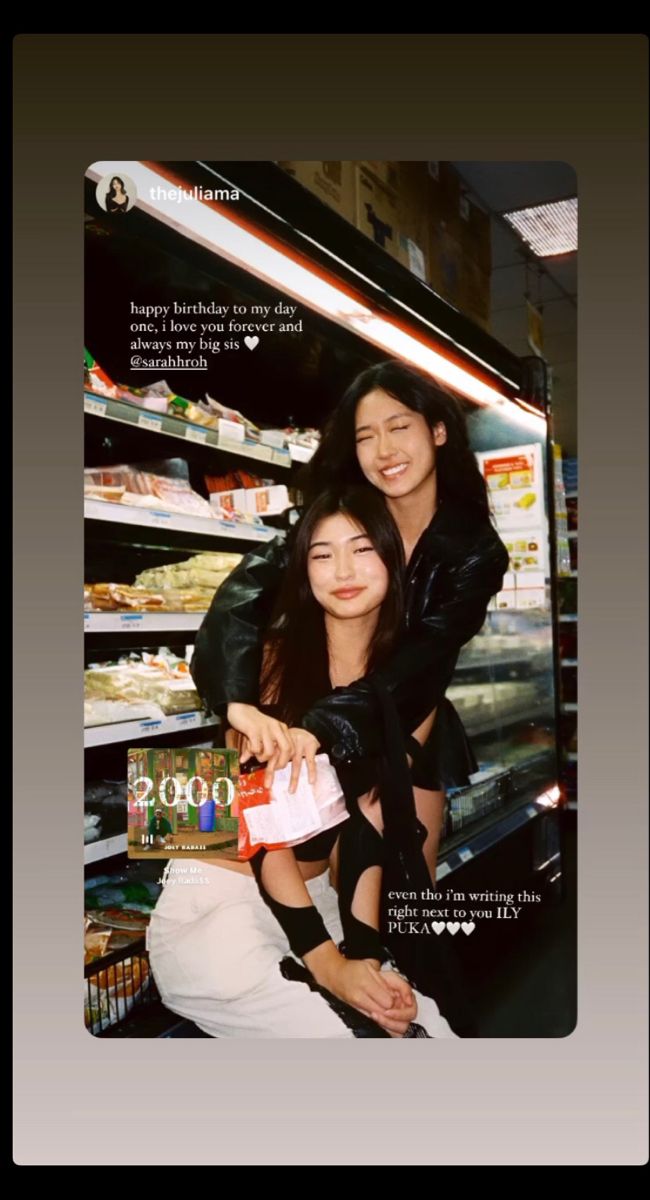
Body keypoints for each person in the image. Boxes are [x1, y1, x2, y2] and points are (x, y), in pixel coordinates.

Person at [190, 360, 510, 1030]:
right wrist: (237, 703)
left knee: (398, 909)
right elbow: (237, 602)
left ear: (440, 431)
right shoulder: (284, 653)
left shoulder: (471, 548)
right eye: (367, 435)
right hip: (236, 860)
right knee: (232, 851)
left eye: (401, 426)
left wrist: (358, 957)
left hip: (396, 711)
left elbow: (421, 666)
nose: (385, 450)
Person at [148, 487, 457, 1038]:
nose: (343, 569)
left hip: (317, 900)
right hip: (218, 904)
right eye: (321, 553)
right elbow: (260, 828)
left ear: (394, 557)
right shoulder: (267, 662)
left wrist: (364, 951)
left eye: (362, 549)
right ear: (302, 570)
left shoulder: (413, 691)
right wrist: (328, 965)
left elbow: (370, 820)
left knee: (422, 1027)